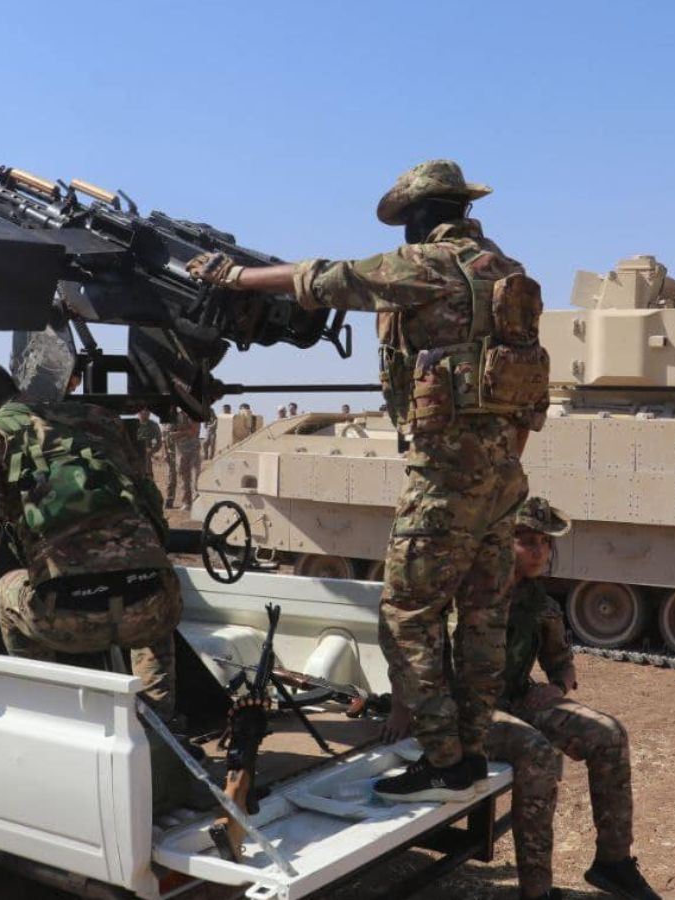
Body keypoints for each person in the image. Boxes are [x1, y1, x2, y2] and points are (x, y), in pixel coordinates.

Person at [187, 159, 549, 799]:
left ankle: (443, 758)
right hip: (504, 480)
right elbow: (523, 395)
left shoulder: (429, 266)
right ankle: (468, 744)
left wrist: (236, 276)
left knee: (407, 618)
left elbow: (328, 279)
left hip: (444, 484)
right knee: (484, 619)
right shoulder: (507, 275)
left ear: (419, 217)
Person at [382, 497, 659, 900]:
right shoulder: (465, 591)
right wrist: (400, 709)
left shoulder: (537, 602)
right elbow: (410, 649)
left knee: (610, 734)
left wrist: (558, 688)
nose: (540, 551)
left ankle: (612, 863)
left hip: (514, 700)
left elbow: (561, 664)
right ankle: (536, 891)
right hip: (461, 712)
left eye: (545, 543)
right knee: (538, 753)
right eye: (527, 540)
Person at [0, 359, 180, 723]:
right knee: (154, 578)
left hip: (67, 619)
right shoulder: (98, 419)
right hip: (155, 608)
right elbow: (151, 509)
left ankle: (49, 712)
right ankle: (162, 721)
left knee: (5, 589)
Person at [163, 408, 201, 510]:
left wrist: (179, 432)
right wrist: (185, 431)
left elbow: (194, 430)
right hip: (181, 450)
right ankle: (186, 502)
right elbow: (170, 435)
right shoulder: (174, 415)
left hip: (194, 450)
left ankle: (197, 502)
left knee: (196, 476)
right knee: (183, 478)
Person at [133, 408, 161, 473]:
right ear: (138, 412)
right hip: (133, 458)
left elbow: (159, 442)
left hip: (146, 459)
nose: (146, 413)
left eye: (148, 411)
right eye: (144, 410)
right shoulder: (132, 424)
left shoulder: (153, 425)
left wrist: (151, 451)